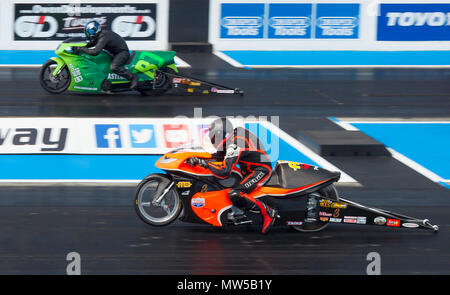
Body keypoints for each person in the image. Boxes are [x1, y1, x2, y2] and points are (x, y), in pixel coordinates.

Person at [188, 117, 278, 234]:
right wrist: (199, 158)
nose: (213, 141)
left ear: (221, 134)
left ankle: (268, 212)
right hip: (249, 169)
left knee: (235, 193)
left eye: (214, 138)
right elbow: (218, 155)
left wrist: (204, 164)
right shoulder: (233, 136)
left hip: (260, 171)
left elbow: (224, 171)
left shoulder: (235, 144)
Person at [73, 20, 139, 89]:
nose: (88, 34)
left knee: (114, 67)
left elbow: (95, 52)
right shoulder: (98, 36)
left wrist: (81, 49)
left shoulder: (103, 36)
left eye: (90, 32)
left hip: (122, 53)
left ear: (95, 30)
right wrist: (78, 47)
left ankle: (133, 77)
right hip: (114, 53)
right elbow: (91, 44)